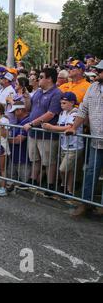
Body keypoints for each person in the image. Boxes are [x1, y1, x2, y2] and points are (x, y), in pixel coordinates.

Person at [65, 61, 103, 216]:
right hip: (96, 140)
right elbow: (83, 110)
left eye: (100, 71)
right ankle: (86, 204)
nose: (97, 73)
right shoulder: (93, 87)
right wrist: (73, 127)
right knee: (91, 171)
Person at [23, 68, 62, 195]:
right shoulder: (38, 92)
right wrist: (27, 99)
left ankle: (50, 186)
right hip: (34, 132)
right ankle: (33, 181)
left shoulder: (56, 93)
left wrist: (32, 123)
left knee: (49, 161)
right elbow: (29, 109)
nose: (38, 79)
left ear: (49, 78)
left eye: (41, 76)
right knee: (35, 159)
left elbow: (51, 114)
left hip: (47, 135)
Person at [42, 92, 84, 197]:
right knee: (68, 169)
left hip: (74, 146)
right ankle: (68, 190)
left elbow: (69, 127)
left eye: (64, 103)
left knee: (63, 168)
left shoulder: (75, 113)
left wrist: (51, 127)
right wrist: (49, 126)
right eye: (61, 103)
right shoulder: (62, 113)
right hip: (64, 144)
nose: (62, 105)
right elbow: (59, 126)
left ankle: (63, 185)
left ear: (72, 102)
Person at [6, 102, 31, 192]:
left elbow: (18, 140)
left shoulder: (28, 121)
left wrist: (4, 139)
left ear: (20, 110)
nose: (13, 114)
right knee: (12, 180)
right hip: (14, 156)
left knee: (25, 184)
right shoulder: (19, 121)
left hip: (23, 158)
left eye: (14, 112)